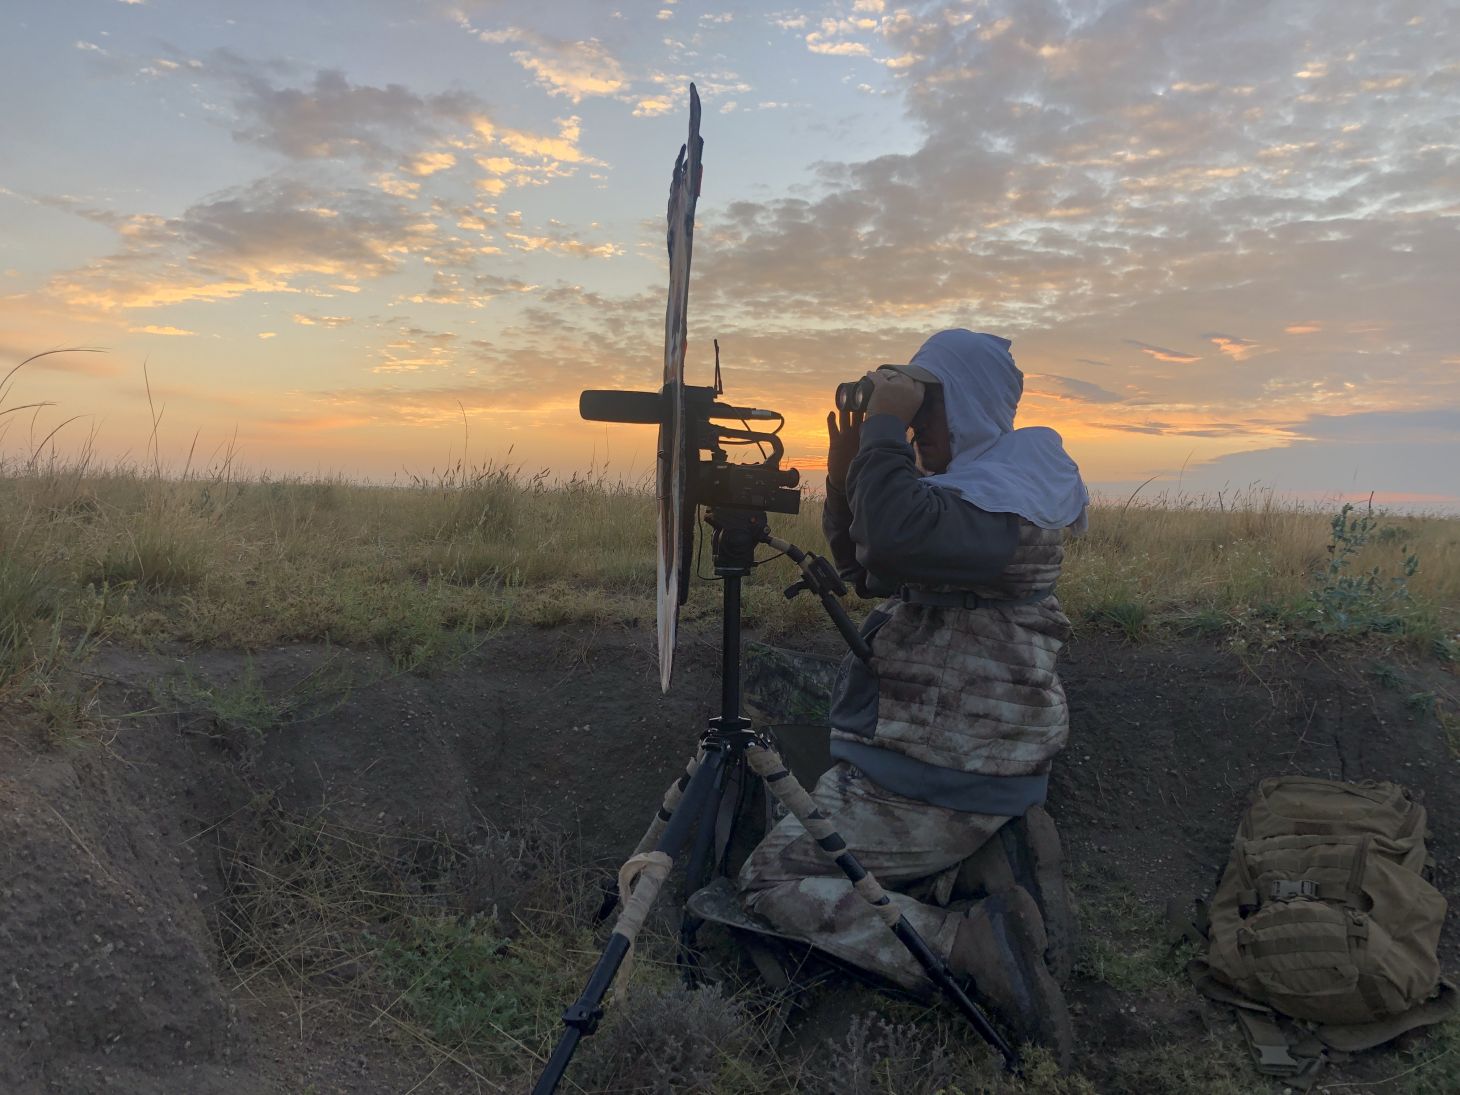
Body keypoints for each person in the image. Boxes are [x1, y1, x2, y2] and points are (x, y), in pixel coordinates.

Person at [735, 329, 1088, 1064]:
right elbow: (872, 568)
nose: (917, 431)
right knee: (802, 811)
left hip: (946, 767)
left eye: (926, 409)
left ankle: (966, 944)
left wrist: (886, 434)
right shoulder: (979, 490)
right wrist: (851, 471)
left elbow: (894, 542)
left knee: (773, 877)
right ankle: (975, 860)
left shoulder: (1009, 498)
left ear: (963, 408)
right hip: (949, 750)